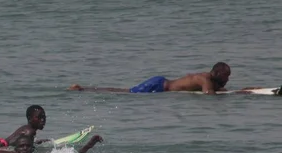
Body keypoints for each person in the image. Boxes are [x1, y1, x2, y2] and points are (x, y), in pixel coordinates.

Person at [68, 62, 231, 95]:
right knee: (127, 92)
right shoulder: (205, 80)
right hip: (159, 85)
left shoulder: (208, 79)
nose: (228, 79)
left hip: (161, 84)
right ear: (216, 74)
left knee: (127, 91)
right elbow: (209, 95)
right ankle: (82, 88)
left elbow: (218, 89)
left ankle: (83, 88)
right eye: (226, 76)